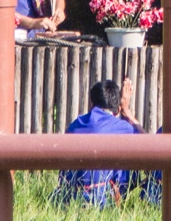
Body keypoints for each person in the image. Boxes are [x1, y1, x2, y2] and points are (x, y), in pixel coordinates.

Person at [55, 78, 141, 206]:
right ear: (117, 110)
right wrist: (126, 111)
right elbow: (149, 144)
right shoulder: (124, 128)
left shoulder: (75, 124)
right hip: (102, 198)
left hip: (68, 196)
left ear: (92, 105)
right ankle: (118, 197)